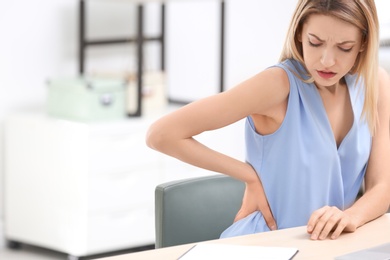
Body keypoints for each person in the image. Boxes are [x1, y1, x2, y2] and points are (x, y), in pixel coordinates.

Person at [146, 0, 390, 240]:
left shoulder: (375, 84)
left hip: (329, 248)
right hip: (265, 245)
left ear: (363, 43)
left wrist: (352, 217)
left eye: (344, 47)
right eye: (315, 43)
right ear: (299, 35)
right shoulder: (277, 85)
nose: (327, 60)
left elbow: (382, 185)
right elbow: (161, 134)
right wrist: (248, 175)